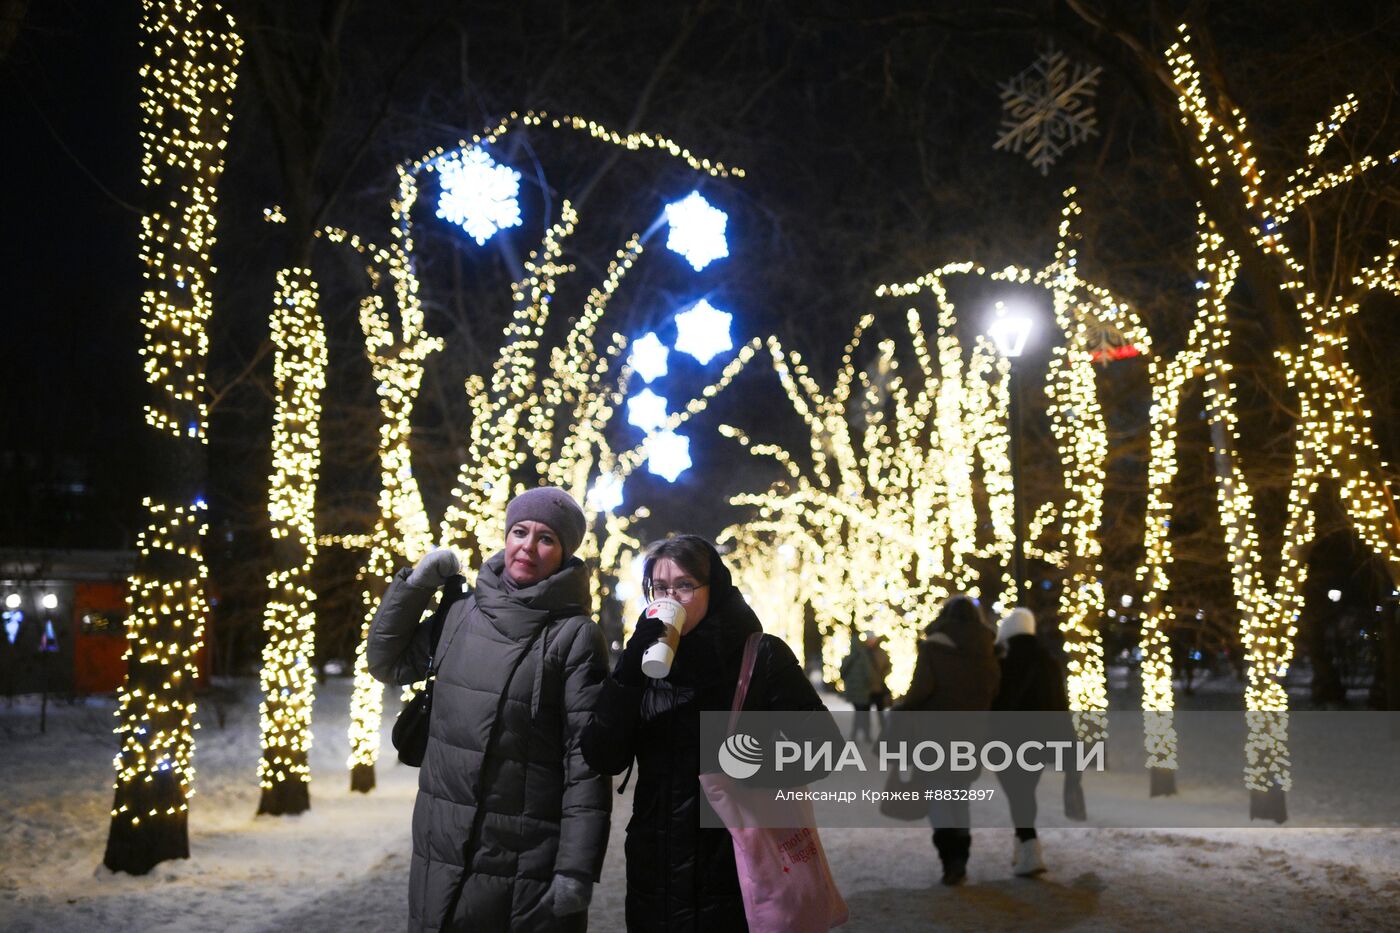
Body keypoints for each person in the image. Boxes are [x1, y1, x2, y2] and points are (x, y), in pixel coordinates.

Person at [367, 487, 610, 933]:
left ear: (564, 552)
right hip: (440, 846)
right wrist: (416, 586)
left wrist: (575, 868)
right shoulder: (461, 613)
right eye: (520, 531)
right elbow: (387, 662)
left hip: (524, 862)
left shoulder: (576, 637)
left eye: (546, 539)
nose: (528, 547)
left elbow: (585, 763)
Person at [580, 535, 837, 932]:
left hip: (736, 861)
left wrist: (742, 764)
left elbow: (824, 747)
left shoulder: (760, 655)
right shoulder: (645, 663)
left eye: (684, 585)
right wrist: (628, 673)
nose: (672, 598)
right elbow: (602, 755)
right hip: (655, 864)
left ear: (713, 587)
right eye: (660, 588)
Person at [894, 594, 1000, 886]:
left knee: (940, 796)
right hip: (972, 737)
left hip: (935, 736)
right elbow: (992, 691)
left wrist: (902, 707)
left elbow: (921, 689)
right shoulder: (988, 650)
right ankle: (961, 858)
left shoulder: (934, 647)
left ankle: (949, 859)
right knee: (960, 796)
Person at [991, 607, 1075, 877]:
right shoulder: (1048, 660)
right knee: (1025, 791)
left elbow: (999, 702)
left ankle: (1029, 848)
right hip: (1040, 740)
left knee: (1017, 793)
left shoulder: (1005, 660)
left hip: (1008, 740)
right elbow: (1060, 703)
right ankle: (1023, 846)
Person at [839, 631, 877, 741]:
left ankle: (857, 735)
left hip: (852, 691)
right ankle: (863, 735)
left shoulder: (847, 658)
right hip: (863, 691)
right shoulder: (863, 657)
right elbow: (868, 674)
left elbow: (842, 672)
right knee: (863, 713)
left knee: (859, 712)